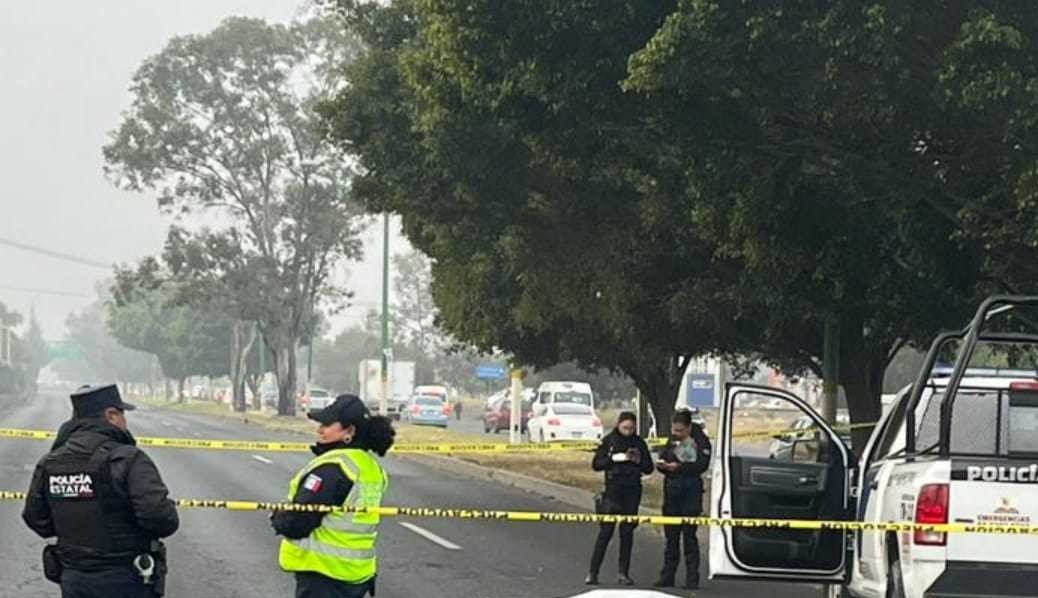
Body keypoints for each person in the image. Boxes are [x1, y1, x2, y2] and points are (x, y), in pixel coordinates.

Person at [22, 384, 179, 598]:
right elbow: (161, 518)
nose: (126, 422)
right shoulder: (128, 458)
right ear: (111, 415)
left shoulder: (50, 463)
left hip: (74, 577)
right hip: (126, 577)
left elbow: (34, 517)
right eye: (123, 414)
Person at [273, 394, 396, 598]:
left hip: (324, 574)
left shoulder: (333, 467)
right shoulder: (371, 467)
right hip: (357, 575)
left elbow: (299, 521)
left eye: (328, 424)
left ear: (350, 431)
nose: (320, 429)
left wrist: (277, 517)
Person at [585, 411, 653, 586]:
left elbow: (649, 468)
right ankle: (593, 572)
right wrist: (615, 458)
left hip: (632, 491)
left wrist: (638, 460)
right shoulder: (609, 441)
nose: (628, 431)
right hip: (613, 491)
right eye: (625, 428)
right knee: (605, 532)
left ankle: (623, 573)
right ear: (618, 425)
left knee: (627, 533)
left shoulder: (639, 443)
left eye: (631, 428)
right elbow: (596, 464)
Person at [653, 409, 712, 590]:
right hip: (672, 493)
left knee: (689, 537)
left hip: (690, 493)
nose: (676, 434)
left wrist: (680, 467)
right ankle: (667, 575)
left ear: (688, 427)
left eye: (680, 431)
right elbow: (663, 457)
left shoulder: (700, 441)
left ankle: (692, 578)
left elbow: (701, 465)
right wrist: (664, 466)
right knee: (671, 538)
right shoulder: (672, 441)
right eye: (674, 430)